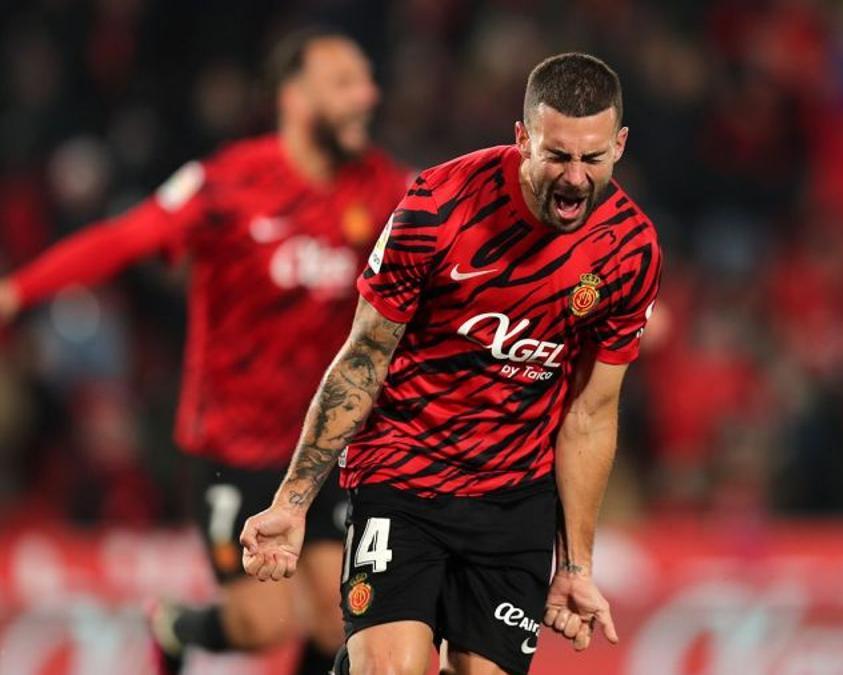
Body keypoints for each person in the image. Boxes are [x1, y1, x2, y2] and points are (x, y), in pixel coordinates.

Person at [0, 27, 412, 675]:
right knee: (262, 622)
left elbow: (454, 253)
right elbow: (122, 239)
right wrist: (18, 290)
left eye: (366, 79)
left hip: (327, 438)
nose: (369, 94)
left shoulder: (380, 186)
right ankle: (175, 624)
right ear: (294, 97)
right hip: (233, 443)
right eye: (345, 83)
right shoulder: (227, 184)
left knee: (339, 620)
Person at [239, 52, 662, 675]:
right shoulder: (437, 206)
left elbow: (591, 414)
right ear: (522, 138)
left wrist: (575, 567)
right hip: (402, 475)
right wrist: (294, 501)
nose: (574, 178)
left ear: (619, 145)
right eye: (557, 155)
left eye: (592, 159)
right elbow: (364, 358)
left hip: (513, 502)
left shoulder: (631, 251)